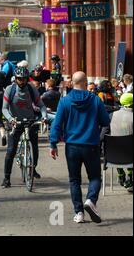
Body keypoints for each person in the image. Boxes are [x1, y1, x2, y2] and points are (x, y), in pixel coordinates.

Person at [49, 71, 110, 223]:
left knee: (74, 180)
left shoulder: (65, 101)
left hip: (72, 146)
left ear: (72, 83)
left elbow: (57, 124)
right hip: (91, 145)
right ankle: (91, 200)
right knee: (95, 177)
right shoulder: (95, 100)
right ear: (85, 83)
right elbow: (105, 121)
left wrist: (53, 143)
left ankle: (79, 213)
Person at [1, 66, 47, 188]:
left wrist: (44, 117)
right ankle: (6, 177)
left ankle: (33, 168)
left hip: (30, 121)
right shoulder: (10, 90)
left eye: (24, 79)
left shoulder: (32, 89)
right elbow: (4, 109)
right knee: (11, 150)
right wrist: (11, 119)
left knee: (35, 148)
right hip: (15, 122)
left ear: (27, 79)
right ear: (15, 78)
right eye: (19, 79)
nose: (22, 81)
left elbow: (41, 105)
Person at [110, 93, 133, 191]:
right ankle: (130, 176)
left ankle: (120, 173)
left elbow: (104, 133)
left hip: (113, 156)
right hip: (130, 155)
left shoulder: (111, 115)